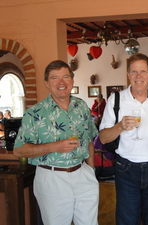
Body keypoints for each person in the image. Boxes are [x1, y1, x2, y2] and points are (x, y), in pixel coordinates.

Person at [13, 60, 99, 225]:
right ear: (47, 83)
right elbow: (19, 150)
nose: (61, 82)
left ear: (72, 81)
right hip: (52, 177)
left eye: (65, 77)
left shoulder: (81, 106)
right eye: (54, 78)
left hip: (83, 174)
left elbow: (89, 139)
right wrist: (54, 146)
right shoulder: (34, 113)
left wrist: (91, 170)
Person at [99, 53, 148, 225]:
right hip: (126, 168)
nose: (138, 76)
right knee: (126, 220)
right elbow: (103, 138)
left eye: (142, 71)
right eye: (134, 72)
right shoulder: (116, 99)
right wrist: (119, 127)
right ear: (128, 74)